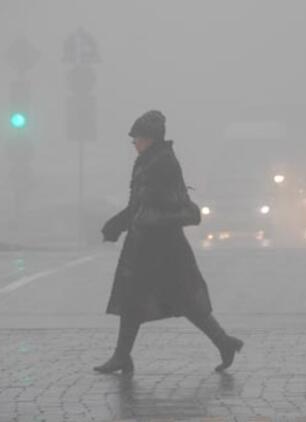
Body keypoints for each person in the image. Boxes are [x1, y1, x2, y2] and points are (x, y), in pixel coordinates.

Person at [95, 110, 243, 375]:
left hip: (165, 248)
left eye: (138, 139)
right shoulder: (144, 162)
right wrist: (116, 224)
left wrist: (135, 219)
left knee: (185, 300)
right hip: (142, 245)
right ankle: (121, 356)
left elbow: (168, 205)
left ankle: (224, 343)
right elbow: (137, 206)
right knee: (132, 300)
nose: (134, 144)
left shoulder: (164, 163)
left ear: (151, 139)